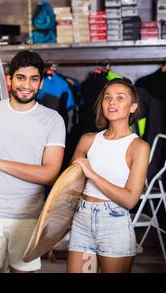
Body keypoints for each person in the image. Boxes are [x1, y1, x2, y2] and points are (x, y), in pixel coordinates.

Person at [0, 50, 66, 273]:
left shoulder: (52, 121)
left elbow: (49, 173)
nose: (27, 85)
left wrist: (0, 162)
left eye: (34, 79)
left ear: (41, 83)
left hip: (28, 217)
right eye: (21, 78)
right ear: (9, 79)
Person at [67, 78, 150, 273]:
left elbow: (130, 200)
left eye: (120, 98)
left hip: (114, 224)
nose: (112, 102)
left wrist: (92, 175)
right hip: (82, 221)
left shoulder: (138, 147)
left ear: (133, 107)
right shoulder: (87, 140)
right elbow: (68, 187)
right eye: (107, 98)